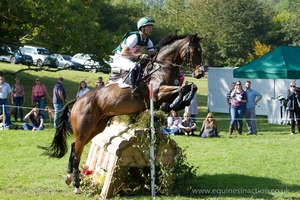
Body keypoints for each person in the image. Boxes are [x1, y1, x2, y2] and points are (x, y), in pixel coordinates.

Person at [112, 16, 155, 95]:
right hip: (119, 57)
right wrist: (139, 56)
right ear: (142, 28)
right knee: (134, 66)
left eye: (151, 27)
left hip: (129, 59)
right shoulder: (134, 37)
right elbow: (123, 53)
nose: (151, 29)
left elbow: (153, 53)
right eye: (149, 27)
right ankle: (133, 88)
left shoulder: (148, 41)